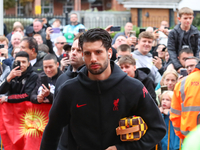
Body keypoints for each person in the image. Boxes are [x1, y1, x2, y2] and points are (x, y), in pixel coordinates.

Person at [40, 28, 166, 150]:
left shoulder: (133, 88)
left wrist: (122, 148)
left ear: (109, 52)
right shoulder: (68, 90)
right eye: (88, 53)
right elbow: (52, 132)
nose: (93, 58)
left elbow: (158, 129)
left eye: (98, 52)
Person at [54, 34, 85, 150]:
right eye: (72, 49)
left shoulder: (93, 79)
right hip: (63, 143)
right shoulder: (61, 78)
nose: (73, 53)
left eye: (79, 50)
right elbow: (55, 115)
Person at [170, 60, 200, 139]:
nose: (189, 68)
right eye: (187, 67)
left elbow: (175, 113)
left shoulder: (183, 82)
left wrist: (181, 136)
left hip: (190, 136)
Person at [167, 7, 200, 73]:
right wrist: (178, 66)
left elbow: (198, 50)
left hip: (193, 60)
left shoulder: (196, 32)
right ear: (179, 19)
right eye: (185, 18)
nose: (188, 20)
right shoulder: (173, 33)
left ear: (192, 18)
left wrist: (195, 64)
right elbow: (171, 51)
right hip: (176, 61)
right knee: (169, 71)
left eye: (190, 18)